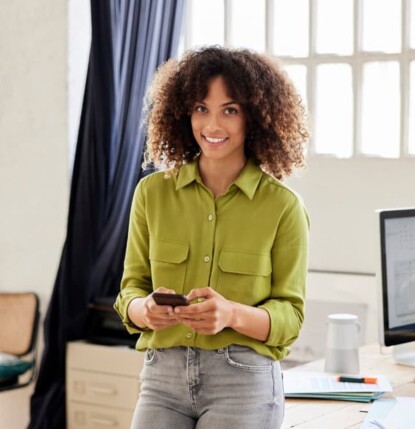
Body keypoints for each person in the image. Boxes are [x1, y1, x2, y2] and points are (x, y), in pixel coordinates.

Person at [114, 46, 310, 429]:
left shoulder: (283, 207)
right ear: (183, 111)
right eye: (201, 108)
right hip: (162, 379)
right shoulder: (151, 194)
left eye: (230, 110)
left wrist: (232, 313)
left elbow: (291, 316)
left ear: (255, 117)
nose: (213, 125)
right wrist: (145, 309)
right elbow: (130, 291)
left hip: (242, 380)